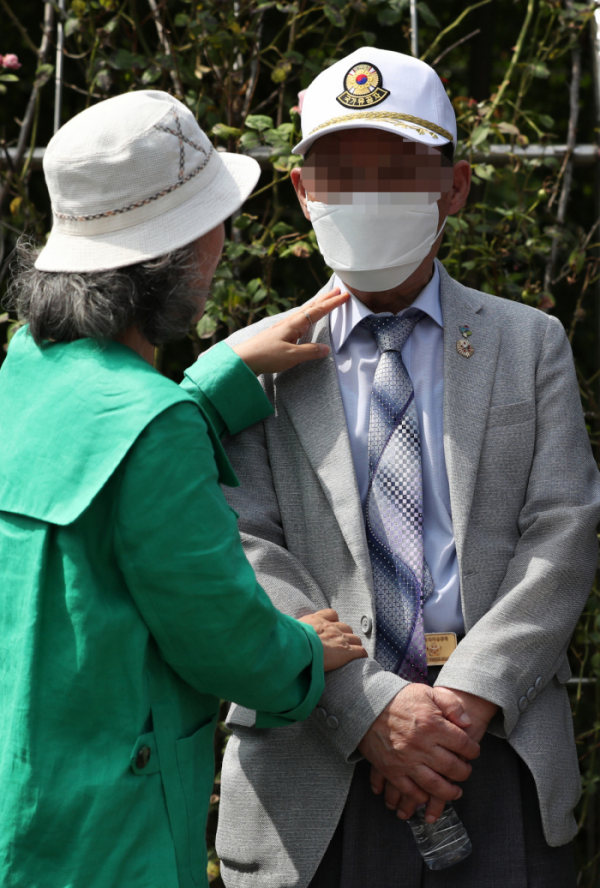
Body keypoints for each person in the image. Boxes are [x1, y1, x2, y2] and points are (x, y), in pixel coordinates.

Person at [214, 48, 600, 887]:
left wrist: (462, 700)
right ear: (302, 191)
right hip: (312, 760)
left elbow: (562, 533)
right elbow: (239, 548)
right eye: (340, 172)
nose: (367, 195)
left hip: (491, 751)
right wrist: (369, 709)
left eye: (397, 170)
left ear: (454, 188)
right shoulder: (253, 361)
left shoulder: (528, 342)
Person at [0, 89, 368, 888]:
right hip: (111, 833)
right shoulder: (153, 427)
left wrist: (217, 377)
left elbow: (99, 455)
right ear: (171, 253)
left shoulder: (25, 367)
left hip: (29, 805)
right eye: (212, 220)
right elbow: (227, 642)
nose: (222, 240)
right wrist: (306, 649)